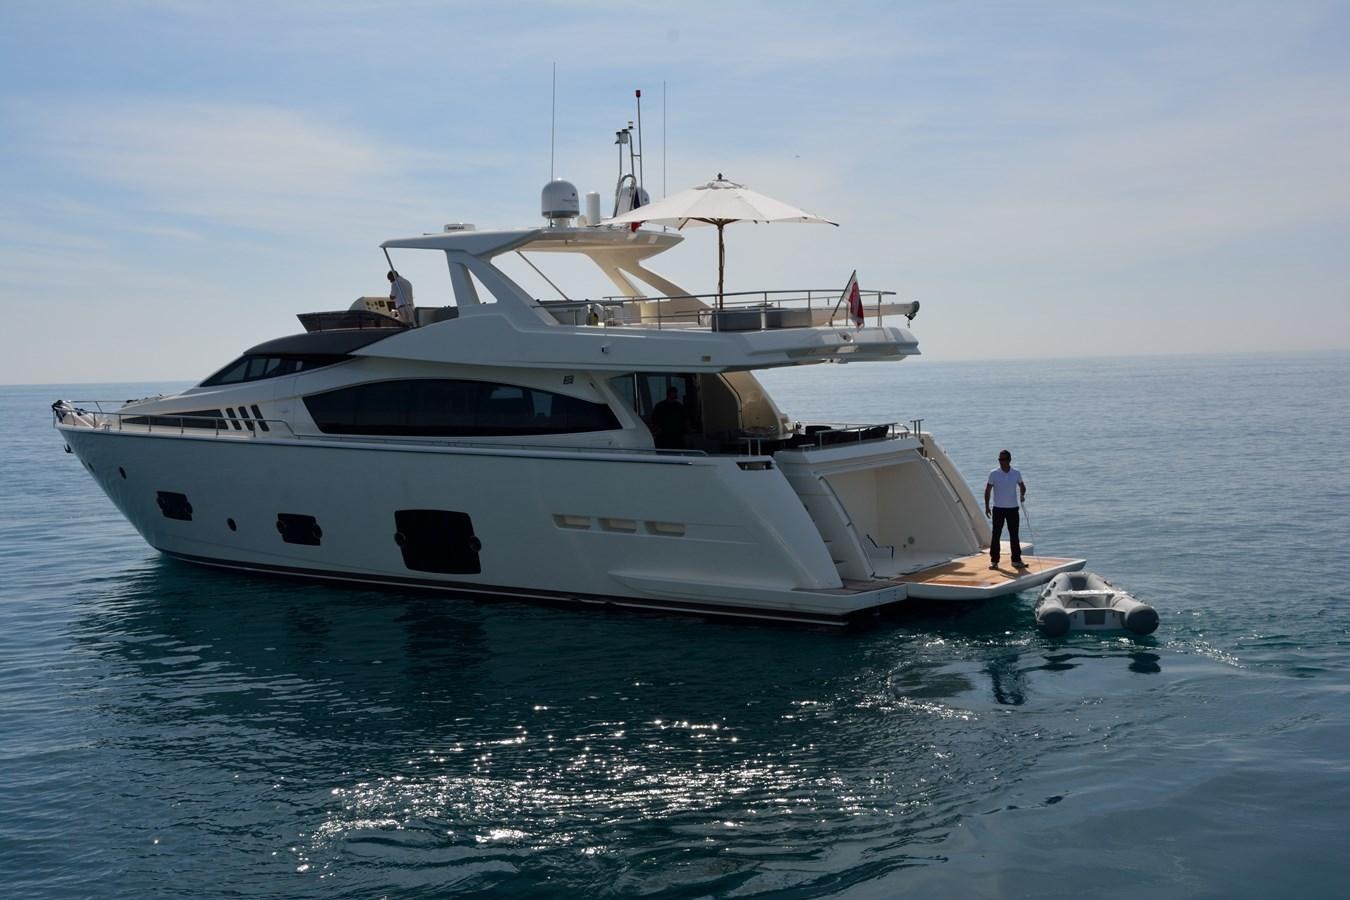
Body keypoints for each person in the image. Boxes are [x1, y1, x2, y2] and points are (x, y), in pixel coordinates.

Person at [984, 449, 1027, 570]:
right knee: (996, 535)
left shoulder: (1016, 473)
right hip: (998, 509)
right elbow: (988, 490)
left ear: (1009, 460)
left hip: (1013, 509)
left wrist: (1022, 495)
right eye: (999, 459)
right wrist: (987, 506)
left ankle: (1016, 560)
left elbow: (1022, 486)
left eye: (1003, 459)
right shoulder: (994, 473)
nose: (1001, 462)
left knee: (1014, 535)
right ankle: (994, 561)